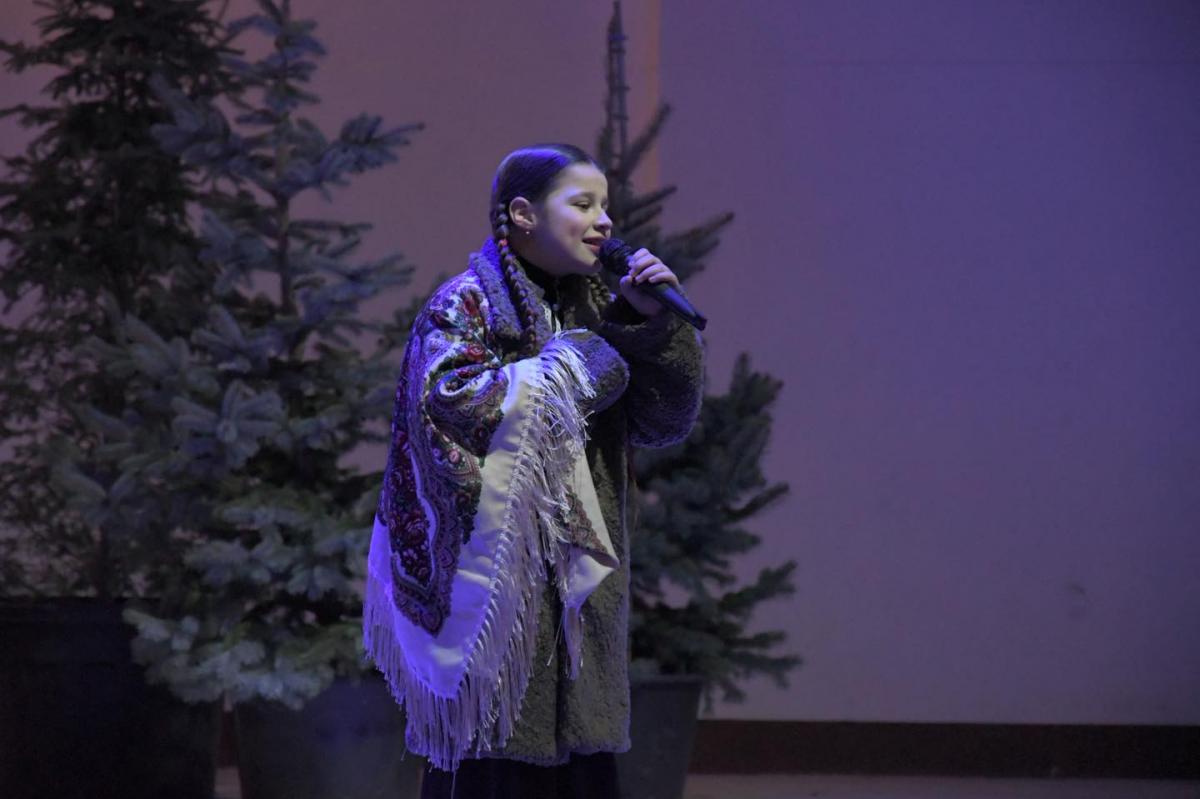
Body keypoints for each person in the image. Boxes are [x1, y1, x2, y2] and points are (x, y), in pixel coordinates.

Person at [363, 143, 704, 799]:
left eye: (606, 205)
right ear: (523, 214)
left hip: (579, 607)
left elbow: (662, 422)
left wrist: (657, 328)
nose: (605, 220)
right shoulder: (463, 306)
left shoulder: (600, 306)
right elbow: (451, 405)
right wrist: (580, 362)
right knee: (496, 769)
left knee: (581, 774)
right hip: (495, 609)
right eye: (583, 204)